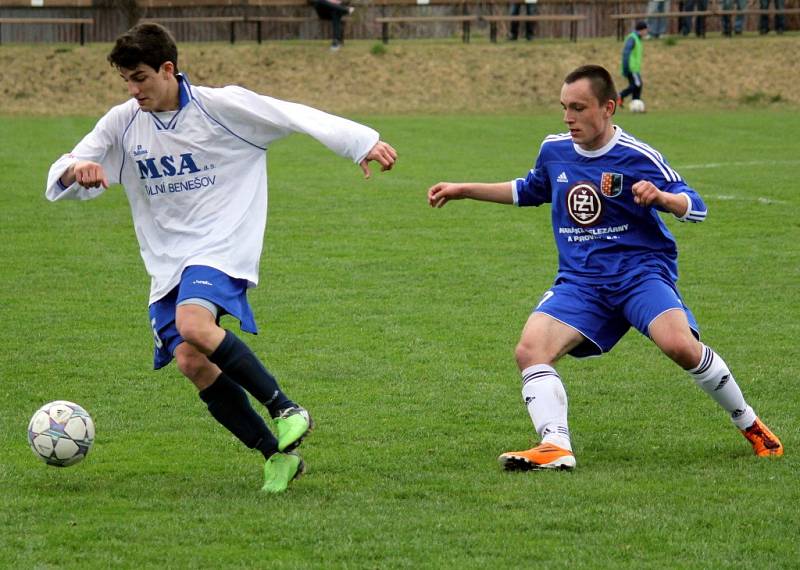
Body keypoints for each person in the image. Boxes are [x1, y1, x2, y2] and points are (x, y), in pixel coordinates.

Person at [45, 23, 397, 492]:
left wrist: (359, 142)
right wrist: (77, 168)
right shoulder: (122, 121)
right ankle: (276, 457)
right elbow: (66, 167)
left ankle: (287, 409)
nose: (133, 90)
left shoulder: (221, 107)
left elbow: (289, 113)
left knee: (193, 325)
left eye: (140, 78)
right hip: (165, 259)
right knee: (191, 360)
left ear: (168, 69)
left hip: (221, 242)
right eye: (126, 81)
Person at [427, 64, 783, 471]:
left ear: (609, 107)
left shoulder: (637, 156)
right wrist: (463, 190)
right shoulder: (554, 149)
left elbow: (696, 207)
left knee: (680, 347)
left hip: (640, 274)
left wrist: (663, 198)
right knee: (530, 351)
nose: (568, 118)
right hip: (582, 282)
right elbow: (530, 190)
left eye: (578, 108)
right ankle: (555, 446)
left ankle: (748, 422)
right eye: (564, 107)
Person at [617, 21, 647, 109]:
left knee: (637, 85)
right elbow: (626, 53)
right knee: (637, 85)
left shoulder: (637, 39)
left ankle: (635, 104)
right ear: (642, 30)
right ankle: (621, 95)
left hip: (635, 68)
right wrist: (626, 68)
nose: (646, 32)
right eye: (645, 30)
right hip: (631, 68)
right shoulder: (632, 38)